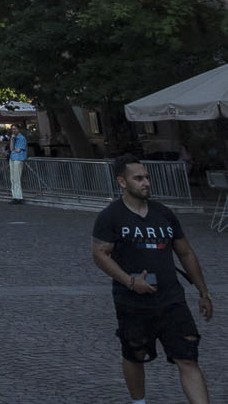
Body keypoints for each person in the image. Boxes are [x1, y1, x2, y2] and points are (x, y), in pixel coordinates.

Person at [90, 155, 215, 404]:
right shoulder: (110, 216)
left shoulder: (164, 214)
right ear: (122, 182)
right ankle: (139, 402)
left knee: (188, 358)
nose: (146, 182)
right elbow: (100, 254)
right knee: (135, 355)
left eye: (146, 177)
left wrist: (203, 292)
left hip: (171, 299)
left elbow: (185, 253)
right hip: (132, 302)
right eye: (138, 178)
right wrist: (129, 281)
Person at [8, 129, 29, 204]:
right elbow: (11, 148)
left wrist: (13, 149)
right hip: (13, 158)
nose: (13, 130)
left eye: (15, 129)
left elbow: (18, 150)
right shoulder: (14, 138)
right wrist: (11, 139)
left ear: (18, 129)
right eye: (12, 129)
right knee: (12, 179)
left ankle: (19, 197)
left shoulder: (22, 138)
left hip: (18, 159)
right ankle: (15, 196)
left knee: (17, 179)